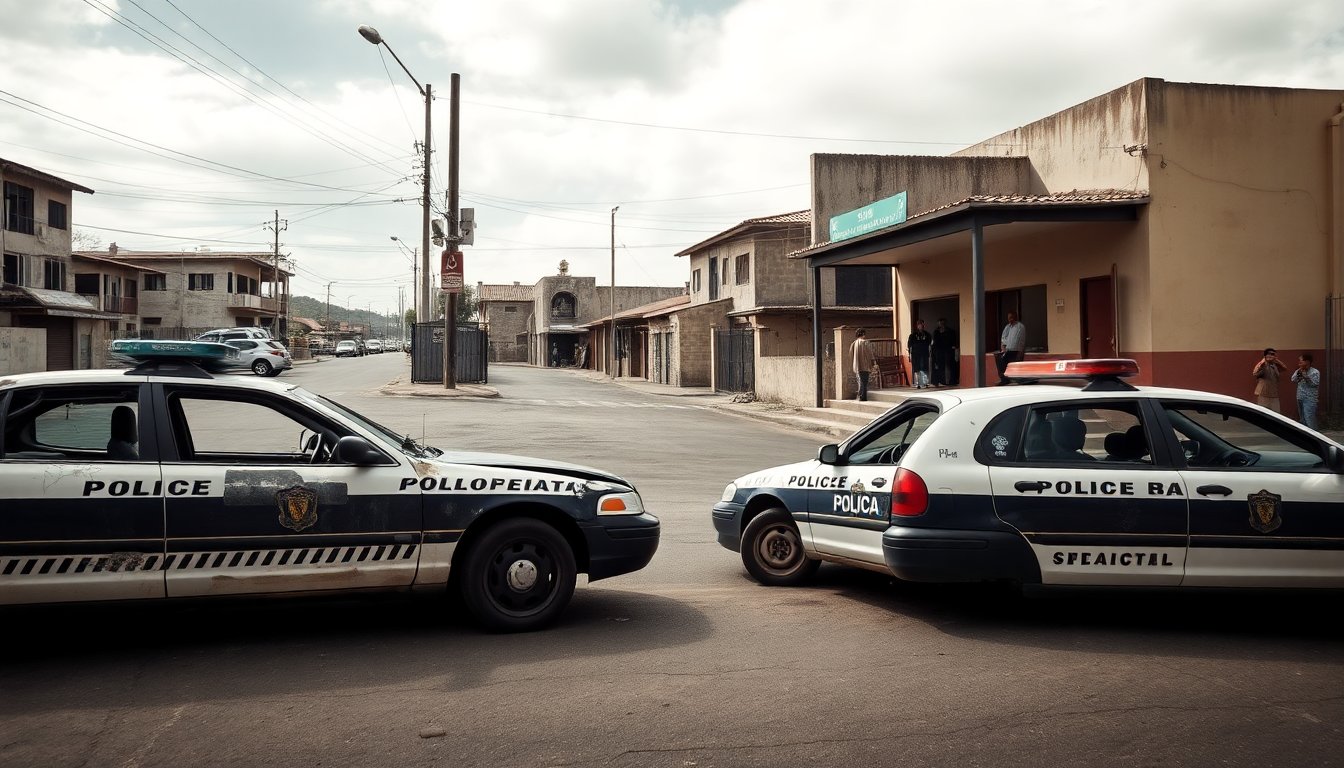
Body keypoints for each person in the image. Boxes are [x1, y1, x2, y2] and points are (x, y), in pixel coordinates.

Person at [1252, 347, 1288, 413]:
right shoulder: (1262, 364)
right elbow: (1255, 373)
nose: (1271, 356)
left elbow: (1284, 368)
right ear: (1265, 356)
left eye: (1273, 354)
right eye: (1269, 354)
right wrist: (1263, 362)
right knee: (1263, 414)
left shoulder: (1275, 365)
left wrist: (1277, 360)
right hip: (1263, 394)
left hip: (1274, 394)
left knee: (1276, 414)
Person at [1290, 352, 1320, 428]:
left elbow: (1315, 384)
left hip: (1310, 398)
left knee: (1309, 417)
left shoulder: (1315, 372)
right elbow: (1293, 380)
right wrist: (1299, 373)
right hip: (1300, 397)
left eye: (1301, 360)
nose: (1299, 362)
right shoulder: (1298, 371)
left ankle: (1314, 436)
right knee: (1302, 419)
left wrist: (1306, 377)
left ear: (1307, 362)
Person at [997, 311, 1026, 385]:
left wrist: (1020, 352)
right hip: (1007, 351)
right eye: (1009, 318)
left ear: (1015, 317)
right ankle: (1004, 380)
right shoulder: (1007, 327)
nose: (1010, 319)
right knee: (1000, 362)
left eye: (1012, 317)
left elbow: (1021, 340)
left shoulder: (1020, 327)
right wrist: (1003, 347)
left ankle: (1017, 381)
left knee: (1016, 366)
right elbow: (1003, 338)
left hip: (1016, 351)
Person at [931, 318, 958, 387]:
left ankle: (952, 381)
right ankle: (940, 381)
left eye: (943, 323)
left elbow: (953, 341)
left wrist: (954, 346)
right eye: (940, 323)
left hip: (948, 350)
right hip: (938, 351)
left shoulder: (950, 331)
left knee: (950, 365)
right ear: (938, 324)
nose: (942, 325)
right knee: (940, 366)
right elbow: (934, 342)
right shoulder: (936, 332)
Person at [849, 328, 875, 401]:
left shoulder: (854, 343)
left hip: (856, 365)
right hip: (864, 365)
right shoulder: (865, 342)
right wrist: (872, 362)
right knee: (864, 382)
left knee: (860, 381)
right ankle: (862, 397)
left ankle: (860, 396)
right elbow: (869, 353)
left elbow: (851, 354)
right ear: (863, 334)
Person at [907, 319, 932, 389]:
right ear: (917, 326)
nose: (921, 326)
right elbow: (909, 345)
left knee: (924, 367)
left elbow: (930, 344)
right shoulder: (913, 335)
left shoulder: (927, 335)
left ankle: (926, 382)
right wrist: (909, 354)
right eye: (920, 324)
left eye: (922, 324)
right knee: (917, 368)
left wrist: (930, 353)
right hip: (916, 354)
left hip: (924, 353)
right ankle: (918, 383)